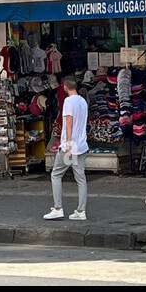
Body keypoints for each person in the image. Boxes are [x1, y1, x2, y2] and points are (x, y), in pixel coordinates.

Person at [44, 75, 88, 221]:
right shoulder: (83, 101)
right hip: (82, 144)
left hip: (70, 145)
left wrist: (68, 144)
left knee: (56, 174)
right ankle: (81, 211)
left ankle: (58, 208)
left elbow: (68, 123)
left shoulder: (68, 101)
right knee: (81, 178)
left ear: (65, 86)